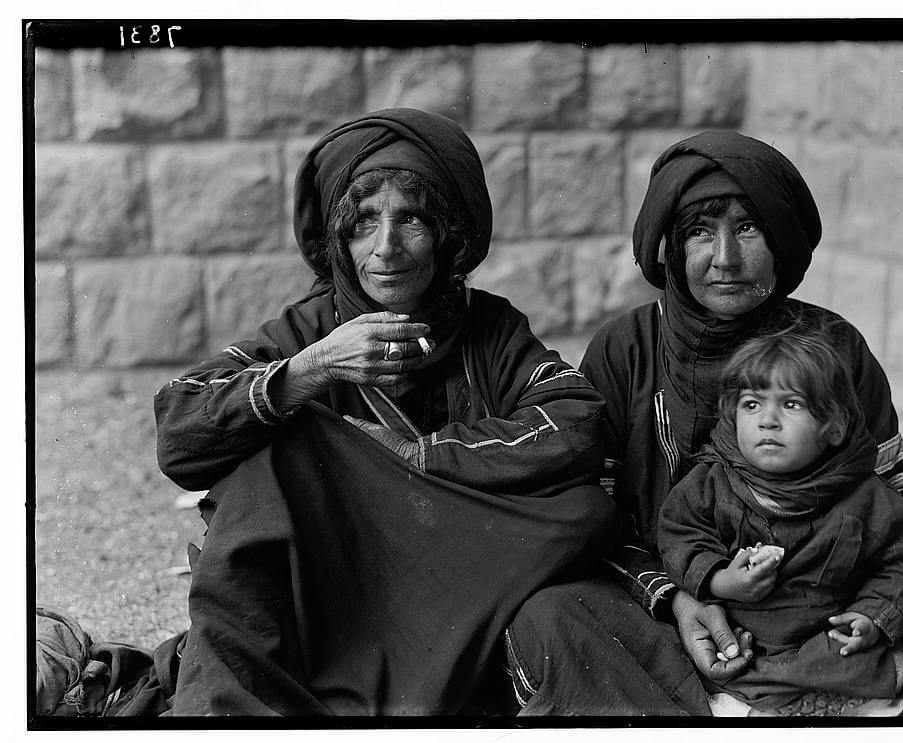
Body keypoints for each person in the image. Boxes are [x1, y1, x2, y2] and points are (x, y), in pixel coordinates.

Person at [503, 130, 903, 716]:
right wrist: (678, 597)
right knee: (550, 618)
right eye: (699, 233)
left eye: (748, 228)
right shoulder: (625, 347)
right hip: (672, 603)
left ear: (782, 239)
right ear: (670, 248)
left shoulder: (832, 345)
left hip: (830, 608)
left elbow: (896, 489)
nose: (726, 259)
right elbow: (594, 509)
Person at [150, 108, 618, 715]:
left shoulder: (488, 331)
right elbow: (179, 430)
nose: (387, 249)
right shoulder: (309, 329)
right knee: (277, 455)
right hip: (337, 589)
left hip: (452, 578)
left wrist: (417, 455)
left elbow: (577, 419)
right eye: (364, 223)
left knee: (586, 508)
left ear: (447, 236)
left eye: (412, 221)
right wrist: (312, 369)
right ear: (340, 239)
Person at [658, 317, 903, 716]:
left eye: (790, 404)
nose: (767, 420)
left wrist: (871, 616)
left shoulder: (867, 498)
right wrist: (721, 579)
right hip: (746, 636)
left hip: (827, 638)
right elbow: (677, 535)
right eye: (752, 404)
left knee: (859, 663)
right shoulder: (711, 482)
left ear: (834, 426)